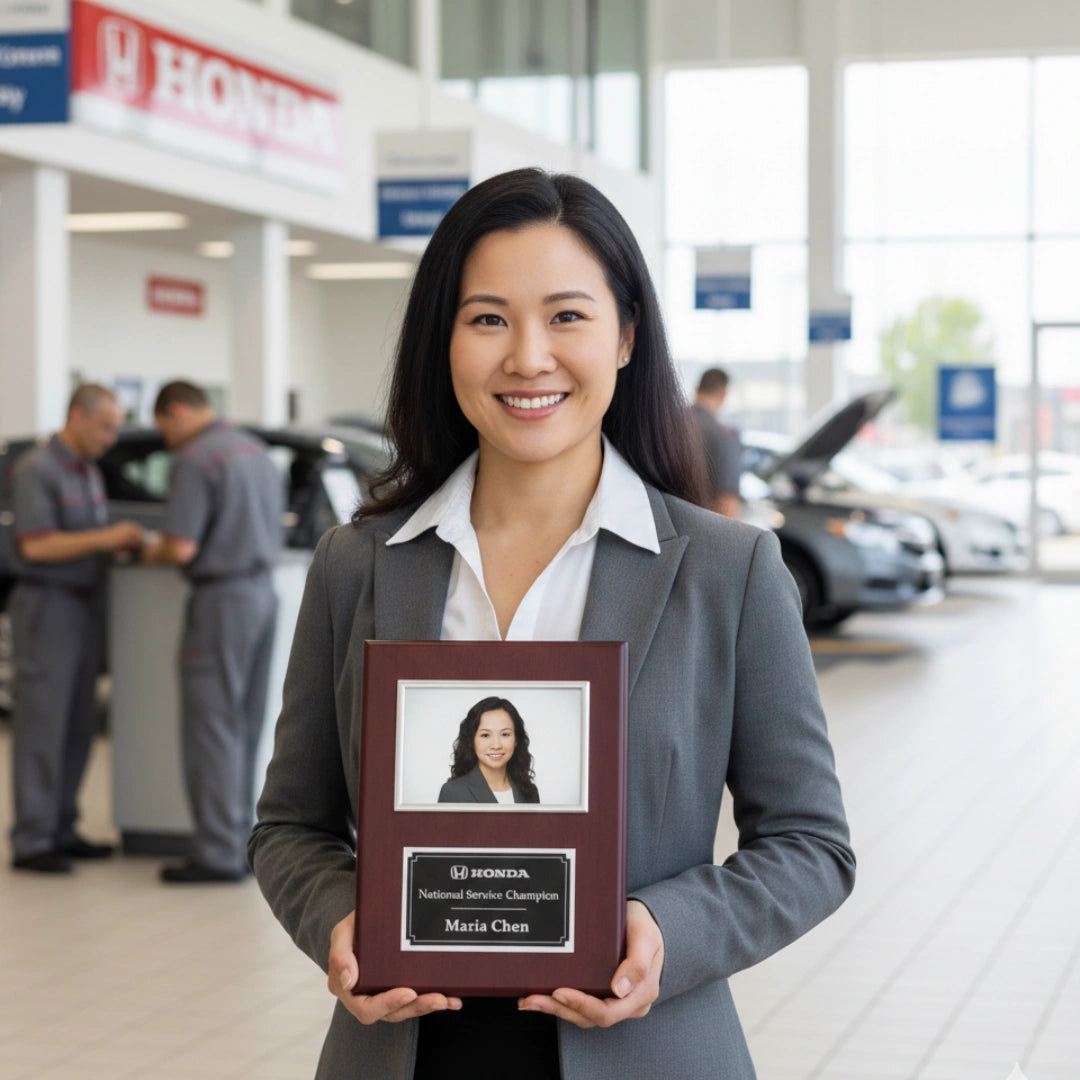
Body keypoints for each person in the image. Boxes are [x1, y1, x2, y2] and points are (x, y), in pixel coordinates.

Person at [249, 168, 854, 1079]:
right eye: (488, 319)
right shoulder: (357, 564)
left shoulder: (728, 571)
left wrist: (668, 930)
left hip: (648, 1052)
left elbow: (812, 846)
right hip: (404, 1053)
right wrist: (340, 916)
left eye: (567, 315)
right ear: (443, 341)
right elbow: (290, 826)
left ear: (626, 335)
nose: (528, 358)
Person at [142, 381, 283, 884]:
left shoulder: (196, 459)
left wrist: (145, 548)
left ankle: (216, 851)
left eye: (163, 427)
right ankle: (239, 841)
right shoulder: (256, 451)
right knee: (244, 725)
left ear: (177, 411)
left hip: (221, 599)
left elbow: (179, 547)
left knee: (212, 725)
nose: (166, 439)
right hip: (262, 595)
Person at [9, 384, 145, 874]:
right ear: (76, 417)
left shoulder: (87, 471)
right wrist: (107, 538)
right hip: (49, 606)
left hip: (85, 607)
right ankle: (33, 839)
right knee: (43, 724)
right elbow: (37, 546)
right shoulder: (37, 469)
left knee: (78, 725)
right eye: (106, 427)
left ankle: (63, 827)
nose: (112, 438)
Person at [437, 696, 539, 804]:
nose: (496, 745)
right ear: (471, 740)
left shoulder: (530, 792)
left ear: (516, 740)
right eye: (485, 735)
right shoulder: (453, 792)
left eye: (505, 734)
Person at [691, 367, 743, 518]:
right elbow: (727, 500)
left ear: (697, 389)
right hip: (704, 524)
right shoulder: (724, 435)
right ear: (723, 393)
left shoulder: (668, 426)